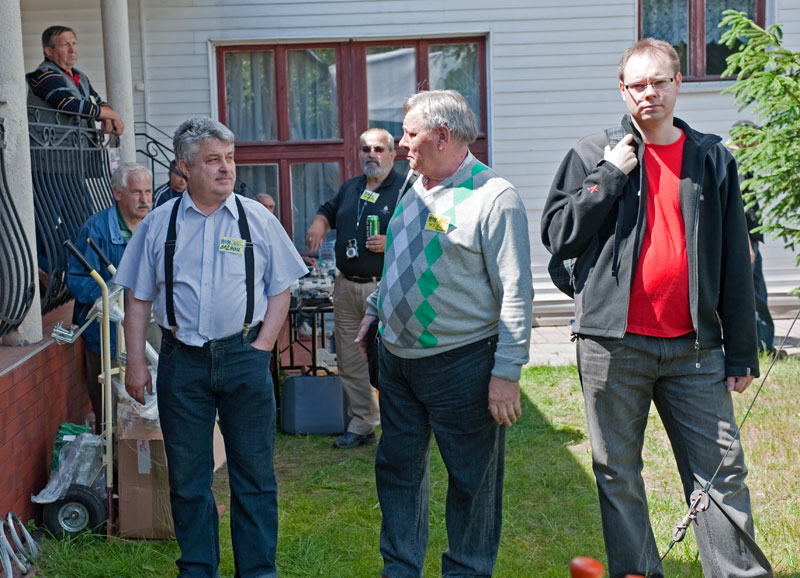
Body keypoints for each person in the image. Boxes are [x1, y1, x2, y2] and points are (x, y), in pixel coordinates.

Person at [541, 39, 773, 578]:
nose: (650, 93)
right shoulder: (592, 153)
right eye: (638, 84)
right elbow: (557, 235)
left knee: (721, 474)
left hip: (695, 349)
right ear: (623, 90)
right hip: (612, 347)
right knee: (617, 473)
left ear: (677, 83)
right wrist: (608, 176)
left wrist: (741, 350)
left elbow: (734, 260)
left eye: (660, 81)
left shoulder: (711, 158)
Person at [116, 117, 307, 578]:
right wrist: (136, 362)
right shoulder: (158, 224)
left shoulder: (256, 218)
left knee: (254, 476)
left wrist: (263, 346)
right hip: (182, 362)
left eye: (229, 158)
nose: (226, 168)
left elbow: (281, 287)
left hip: (244, 357)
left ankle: (257, 571)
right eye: (213, 160)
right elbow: (137, 297)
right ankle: (198, 569)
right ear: (184, 168)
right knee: (188, 479)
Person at [355, 91, 532, 577]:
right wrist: (375, 308)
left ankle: (466, 571)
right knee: (397, 471)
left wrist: (506, 374)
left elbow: (516, 292)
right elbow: (401, 258)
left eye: (409, 134)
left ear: (442, 136)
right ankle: (400, 570)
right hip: (397, 363)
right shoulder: (414, 184)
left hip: (463, 364)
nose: (400, 143)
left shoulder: (494, 197)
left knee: (472, 483)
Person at [305, 128, 405, 448]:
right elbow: (328, 210)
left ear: (392, 154)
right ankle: (363, 423)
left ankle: (400, 425)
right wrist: (319, 222)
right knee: (350, 359)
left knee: (393, 359)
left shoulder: (406, 189)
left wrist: (392, 242)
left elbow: (431, 234)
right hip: (346, 287)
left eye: (378, 149)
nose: (371, 154)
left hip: (386, 287)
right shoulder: (352, 187)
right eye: (365, 149)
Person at [66, 162, 152, 433]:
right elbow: (78, 281)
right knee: (111, 411)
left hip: (150, 329)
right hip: (108, 334)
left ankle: (146, 453)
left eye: (148, 191)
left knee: (151, 403)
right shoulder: (96, 230)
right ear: (117, 193)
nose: (145, 199)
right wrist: (114, 300)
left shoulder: (154, 225)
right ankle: (113, 454)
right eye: (136, 192)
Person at [27, 25, 124, 136]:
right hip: (54, 145)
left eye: (73, 43)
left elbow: (95, 101)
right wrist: (112, 115)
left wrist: (106, 113)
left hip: (81, 145)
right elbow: (70, 105)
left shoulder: (80, 76)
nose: (72, 50)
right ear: (49, 51)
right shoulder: (44, 74)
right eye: (65, 45)